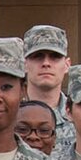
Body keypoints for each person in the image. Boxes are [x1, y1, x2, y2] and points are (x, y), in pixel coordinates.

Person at [23, 24, 75, 152]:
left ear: (67, 65)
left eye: (55, 56)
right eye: (38, 56)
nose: (46, 63)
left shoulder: (79, 117)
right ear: (24, 64)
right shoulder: (7, 115)